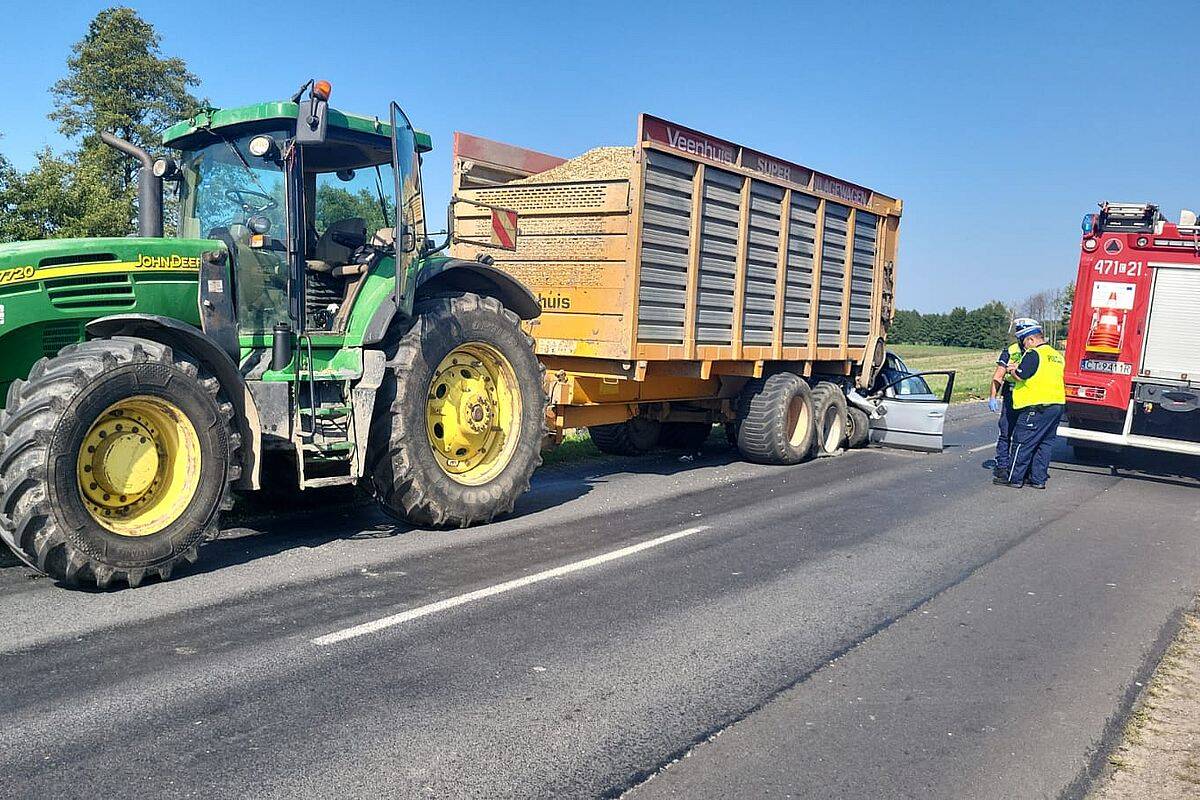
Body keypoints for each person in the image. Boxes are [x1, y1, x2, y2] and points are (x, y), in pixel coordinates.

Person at [997, 321, 1066, 489]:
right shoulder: (1056, 355)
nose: (1024, 346)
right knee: (1045, 444)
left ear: (1030, 339)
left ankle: (1014, 478)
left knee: (1022, 443)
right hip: (1056, 405)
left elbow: (1021, 375)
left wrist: (1012, 369)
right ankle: (1038, 479)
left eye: (1023, 342)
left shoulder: (1034, 353)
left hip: (1036, 406)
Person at [988, 319, 1034, 482]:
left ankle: (1022, 469)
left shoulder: (1037, 350)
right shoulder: (1011, 350)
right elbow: (998, 375)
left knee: (1023, 436)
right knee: (1006, 432)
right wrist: (993, 396)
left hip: (1029, 397)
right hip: (1011, 395)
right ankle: (1002, 467)